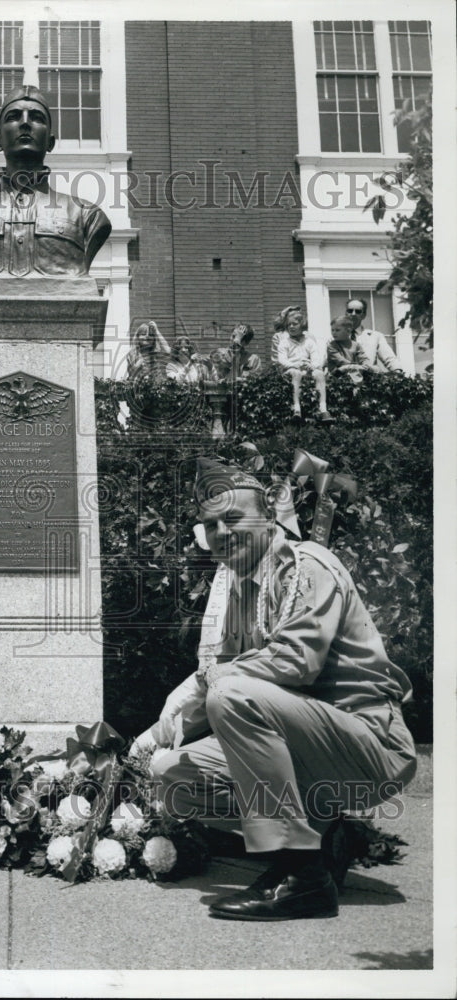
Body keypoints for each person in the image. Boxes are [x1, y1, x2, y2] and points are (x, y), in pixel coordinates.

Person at [134, 457, 417, 921]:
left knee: (231, 694)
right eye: (210, 524)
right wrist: (151, 740)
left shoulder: (307, 565)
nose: (221, 532)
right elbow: (223, 677)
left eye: (233, 518)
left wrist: (215, 681)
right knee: (172, 778)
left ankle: (300, 874)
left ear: (266, 517)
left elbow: (295, 662)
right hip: (307, 743)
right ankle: (323, 837)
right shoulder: (243, 589)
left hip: (368, 744)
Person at [0, 85, 111, 278]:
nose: (25, 123)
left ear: (50, 143)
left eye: (37, 118)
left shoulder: (88, 216)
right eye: (13, 117)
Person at [274, 306, 333, 423]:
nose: (291, 327)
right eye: (289, 324)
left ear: (302, 325)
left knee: (319, 374)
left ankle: (323, 409)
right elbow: (282, 360)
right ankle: (296, 408)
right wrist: (295, 365)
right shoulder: (284, 342)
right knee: (296, 373)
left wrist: (313, 366)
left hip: (307, 368)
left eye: (294, 324)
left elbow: (316, 358)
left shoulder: (309, 341)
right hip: (291, 369)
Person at [345, 298, 404, 373]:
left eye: (358, 311)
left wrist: (397, 373)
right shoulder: (334, 338)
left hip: (368, 381)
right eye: (350, 311)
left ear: (364, 315)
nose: (353, 314)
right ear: (346, 313)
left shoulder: (375, 337)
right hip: (343, 382)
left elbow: (390, 359)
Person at [327, 315, 372, 385]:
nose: (334, 333)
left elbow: (363, 357)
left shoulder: (356, 345)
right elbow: (340, 361)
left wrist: (366, 365)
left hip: (353, 371)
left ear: (348, 331)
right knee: (346, 368)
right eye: (332, 330)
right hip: (337, 373)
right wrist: (356, 366)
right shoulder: (332, 345)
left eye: (337, 330)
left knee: (373, 371)